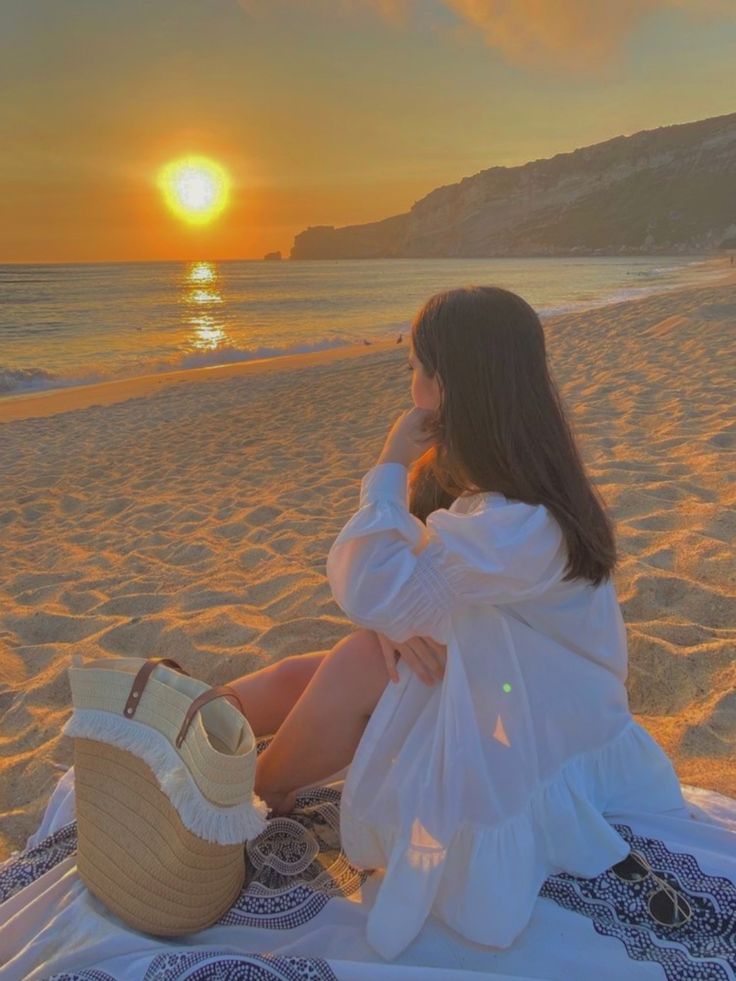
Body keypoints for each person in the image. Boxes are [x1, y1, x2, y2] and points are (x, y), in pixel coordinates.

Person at [227, 285, 687, 961]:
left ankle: (258, 788)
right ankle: (198, 718)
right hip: (515, 686)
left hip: (530, 726)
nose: (409, 387)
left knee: (357, 661)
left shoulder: (522, 526)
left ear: (450, 387)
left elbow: (369, 581)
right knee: (329, 664)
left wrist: (387, 466)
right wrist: (392, 622)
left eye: (416, 369)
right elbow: (405, 593)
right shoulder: (509, 496)